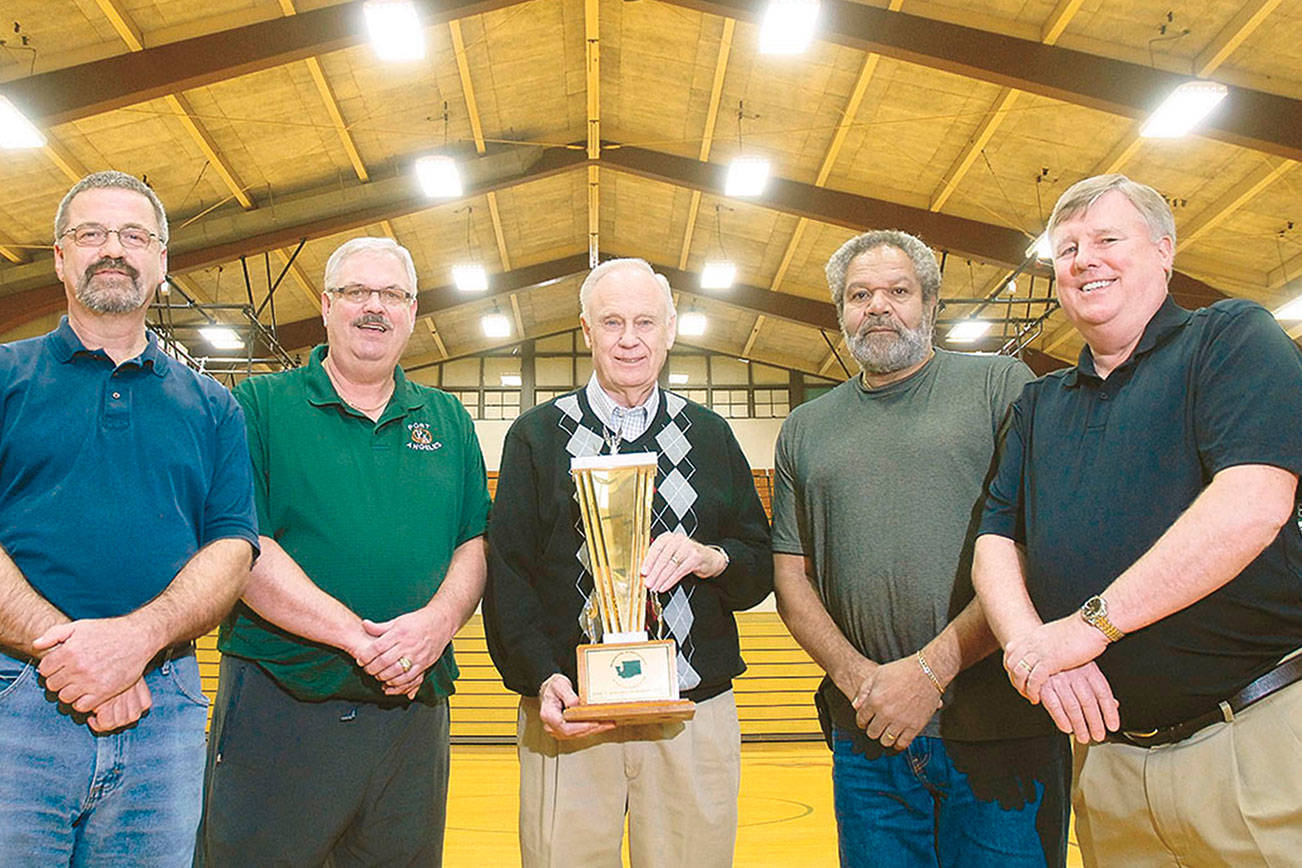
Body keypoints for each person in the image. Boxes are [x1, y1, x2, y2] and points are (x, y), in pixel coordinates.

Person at [974, 174, 1302, 865]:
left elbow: (1253, 503)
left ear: (1163, 250)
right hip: (1109, 761)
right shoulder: (1039, 405)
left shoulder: (1230, 338)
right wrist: (1035, 651)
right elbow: (996, 541)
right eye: (1066, 249)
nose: (1083, 260)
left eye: (1106, 239)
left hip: (1249, 740)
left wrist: (1084, 629)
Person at [771, 230, 1069, 867]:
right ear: (842, 313)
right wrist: (863, 684)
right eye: (859, 295)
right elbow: (792, 580)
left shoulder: (1000, 385)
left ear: (931, 304)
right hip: (868, 734)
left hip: (999, 730)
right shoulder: (804, 428)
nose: (878, 306)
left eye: (898, 291)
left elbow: (1031, 546)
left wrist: (929, 673)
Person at [197, 237, 491, 866]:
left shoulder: (447, 418)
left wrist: (437, 624)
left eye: (392, 294)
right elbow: (243, 545)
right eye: (357, 291)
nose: (374, 307)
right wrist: (363, 641)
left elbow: (473, 541)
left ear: (412, 312)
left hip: (413, 713)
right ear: (327, 306)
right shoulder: (259, 406)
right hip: (282, 704)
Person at [0, 170, 258, 865]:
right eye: (91, 233)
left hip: (165, 709)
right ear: (60, 258)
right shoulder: (5, 377)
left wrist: (136, 642)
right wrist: (75, 656)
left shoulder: (215, 407)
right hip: (15, 696)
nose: (113, 249)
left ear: (161, 262)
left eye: (134, 236)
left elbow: (232, 547)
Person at [483, 257, 772, 867]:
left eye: (645, 322)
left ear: (670, 329)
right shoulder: (536, 437)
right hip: (570, 713)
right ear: (587, 331)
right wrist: (541, 678)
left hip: (690, 713)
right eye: (612, 322)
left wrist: (711, 557)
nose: (629, 339)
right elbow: (507, 577)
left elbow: (757, 564)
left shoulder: (711, 435)